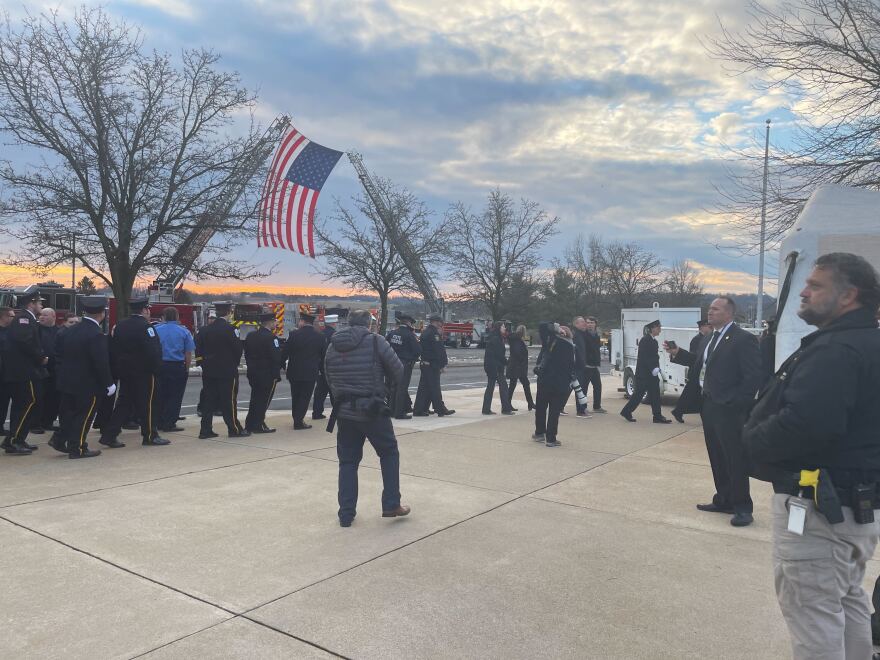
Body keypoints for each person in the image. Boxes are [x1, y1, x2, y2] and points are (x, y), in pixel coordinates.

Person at [743, 253, 880, 659]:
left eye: (816, 285)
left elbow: (806, 427)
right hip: (853, 508)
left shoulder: (837, 350)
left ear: (848, 295)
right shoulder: (867, 342)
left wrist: (751, 438)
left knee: (813, 612)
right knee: (847, 599)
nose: (803, 291)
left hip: (821, 511)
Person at [666, 297, 761, 527]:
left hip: (729, 409)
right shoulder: (709, 338)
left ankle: (742, 507)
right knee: (717, 456)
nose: (710, 312)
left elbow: (753, 377)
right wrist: (678, 353)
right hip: (708, 405)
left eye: (715, 309)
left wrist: (737, 404)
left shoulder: (743, 339)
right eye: (709, 309)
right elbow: (701, 364)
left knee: (734, 458)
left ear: (728, 313)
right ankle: (724, 499)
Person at [324, 309, 409, 527]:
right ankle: (391, 503)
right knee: (389, 453)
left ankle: (346, 513)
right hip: (372, 409)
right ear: (369, 324)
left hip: (344, 411)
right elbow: (398, 371)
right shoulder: (376, 342)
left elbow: (328, 375)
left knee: (348, 462)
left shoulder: (333, 345)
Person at [99, 298, 169, 448]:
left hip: (125, 371)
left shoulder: (120, 326)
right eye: (148, 310)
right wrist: (157, 369)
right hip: (144, 372)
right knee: (149, 404)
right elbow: (153, 351)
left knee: (123, 404)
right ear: (144, 310)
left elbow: (114, 349)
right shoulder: (146, 327)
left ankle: (109, 435)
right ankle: (150, 435)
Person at [52, 296, 114, 459]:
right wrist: (108, 383)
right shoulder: (96, 334)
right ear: (101, 314)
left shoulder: (70, 330)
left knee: (69, 414)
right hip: (87, 384)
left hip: (68, 380)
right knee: (84, 416)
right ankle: (78, 447)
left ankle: (60, 440)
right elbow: (101, 362)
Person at [2, 291, 47, 455]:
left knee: (24, 404)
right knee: (27, 402)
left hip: (24, 370)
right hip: (24, 371)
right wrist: (40, 357)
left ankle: (17, 439)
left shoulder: (27, 319)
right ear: (31, 304)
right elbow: (25, 341)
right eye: (39, 302)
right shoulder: (24, 319)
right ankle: (14, 440)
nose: (41, 305)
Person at [197, 302, 247, 439]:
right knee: (229, 401)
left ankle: (205, 429)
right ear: (229, 312)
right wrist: (233, 364)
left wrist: (203, 364)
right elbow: (238, 350)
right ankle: (234, 428)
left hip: (209, 371)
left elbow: (198, 351)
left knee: (208, 401)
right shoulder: (231, 329)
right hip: (227, 371)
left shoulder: (204, 330)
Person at [620, 320, 671, 424]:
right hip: (644, 374)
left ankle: (657, 416)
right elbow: (645, 357)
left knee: (655, 394)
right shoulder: (645, 340)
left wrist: (656, 368)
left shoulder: (654, 341)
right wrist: (653, 368)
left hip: (652, 373)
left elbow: (654, 357)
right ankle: (626, 411)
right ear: (652, 328)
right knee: (638, 395)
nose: (660, 329)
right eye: (658, 327)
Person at [533, 324, 576, 447]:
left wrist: (556, 328)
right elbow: (572, 366)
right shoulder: (570, 347)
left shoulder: (551, 342)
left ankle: (539, 432)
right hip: (560, 382)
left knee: (541, 408)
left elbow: (542, 325)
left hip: (544, 380)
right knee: (554, 411)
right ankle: (551, 438)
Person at [283, 311, 325, 430]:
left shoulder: (293, 335)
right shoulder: (320, 336)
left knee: (295, 396)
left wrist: (281, 364)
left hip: (294, 371)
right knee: (305, 397)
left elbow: (285, 352)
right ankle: (298, 420)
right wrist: (322, 370)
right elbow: (323, 356)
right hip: (310, 372)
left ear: (303, 321)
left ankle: (296, 418)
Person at [155, 306, 195, 432]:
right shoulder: (184, 331)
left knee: (160, 395)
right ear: (177, 317)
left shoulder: (156, 329)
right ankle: (169, 422)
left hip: (160, 365)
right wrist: (187, 368)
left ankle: (158, 420)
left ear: (164, 317)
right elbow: (188, 353)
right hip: (177, 366)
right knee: (175, 396)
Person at [244, 312, 283, 433]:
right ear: (270, 322)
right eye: (275, 321)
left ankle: (250, 423)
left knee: (255, 399)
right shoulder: (271, 338)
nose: (276, 323)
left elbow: (247, 354)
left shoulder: (250, 336)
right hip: (267, 374)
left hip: (253, 373)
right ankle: (258, 424)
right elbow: (276, 358)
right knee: (263, 401)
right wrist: (276, 375)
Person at [671, 318, 712, 423]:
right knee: (689, 394)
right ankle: (678, 411)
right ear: (702, 327)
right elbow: (694, 357)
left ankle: (679, 411)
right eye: (707, 326)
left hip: (702, 373)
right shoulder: (697, 340)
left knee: (693, 395)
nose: (709, 327)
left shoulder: (708, 338)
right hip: (696, 372)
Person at [413, 314, 455, 417]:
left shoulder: (426, 332)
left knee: (424, 388)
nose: (441, 325)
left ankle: (420, 409)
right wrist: (443, 364)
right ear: (436, 322)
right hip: (432, 364)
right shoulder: (434, 333)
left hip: (426, 363)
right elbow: (438, 350)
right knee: (434, 387)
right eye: (440, 322)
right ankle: (440, 409)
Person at [385, 313, 420, 419]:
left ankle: (391, 410)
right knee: (402, 388)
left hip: (392, 363)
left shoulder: (392, 333)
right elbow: (417, 350)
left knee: (393, 388)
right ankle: (399, 413)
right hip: (404, 364)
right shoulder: (409, 335)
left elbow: (385, 346)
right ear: (408, 323)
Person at [31, 307, 59, 434]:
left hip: (55, 370)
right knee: (39, 397)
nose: (41, 317)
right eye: (41, 315)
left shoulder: (59, 331)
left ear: (54, 317)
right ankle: (35, 423)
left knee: (53, 397)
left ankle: (48, 422)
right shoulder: (35, 331)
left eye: (45, 315)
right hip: (40, 370)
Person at [482, 321, 514, 415]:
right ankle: (506, 409)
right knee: (503, 387)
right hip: (495, 367)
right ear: (499, 328)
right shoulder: (496, 339)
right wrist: (507, 362)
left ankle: (486, 409)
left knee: (491, 388)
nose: (505, 328)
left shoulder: (494, 337)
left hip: (492, 366)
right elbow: (499, 354)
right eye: (503, 326)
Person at [312, 316, 336, 420]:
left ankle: (317, 413)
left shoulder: (319, 335)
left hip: (321, 367)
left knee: (320, 392)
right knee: (334, 393)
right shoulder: (336, 335)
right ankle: (335, 414)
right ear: (334, 323)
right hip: (332, 367)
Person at [506, 324, 533, 411]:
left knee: (513, 385)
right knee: (524, 384)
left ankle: (508, 403)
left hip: (515, 366)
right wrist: (523, 359)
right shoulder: (518, 340)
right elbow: (518, 352)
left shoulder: (514, 339)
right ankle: (530, 403)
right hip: (518, 366)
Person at [583, 317, 606, 413]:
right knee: (583, 388)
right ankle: (582, 407)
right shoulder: (583, 335)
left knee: (598, 386)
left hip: (594, 366)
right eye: (588, 323)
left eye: (591, 323)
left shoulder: (596, 335)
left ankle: (597, 407)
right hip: (586, 366)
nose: (589, 324)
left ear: (595, 324)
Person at [0, 306, 17, 438]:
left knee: (4, 402)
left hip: (8, 373)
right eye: (12, 316)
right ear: (4, 317)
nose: (14, 318)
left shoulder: (11, 331)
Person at [571, 317, 593, 419]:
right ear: (576, 324)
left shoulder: (581, 334)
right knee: (579, 389)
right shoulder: (575, 335)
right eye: (582, 322)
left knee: (579, 388)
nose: (585, 324)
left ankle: (582, 408)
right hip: (577, 366)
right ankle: (580, 410)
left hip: (581, 366)